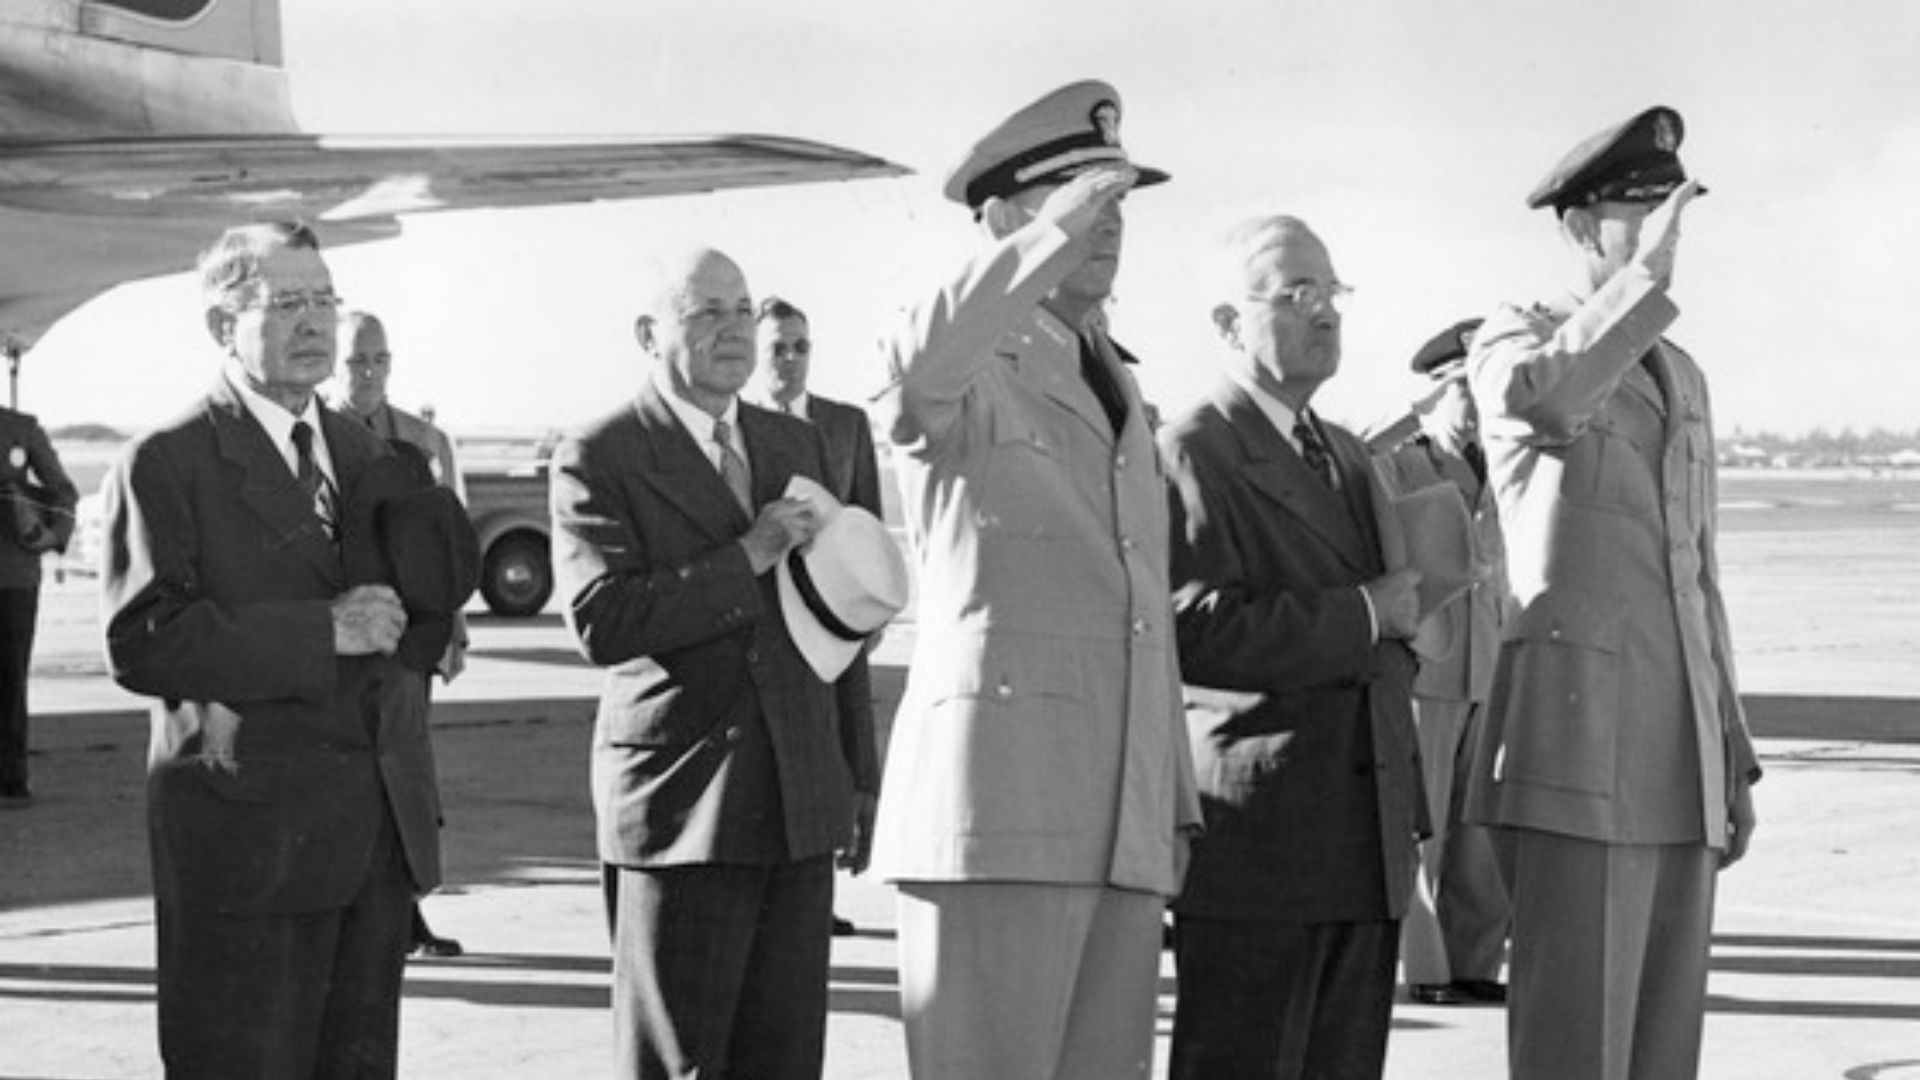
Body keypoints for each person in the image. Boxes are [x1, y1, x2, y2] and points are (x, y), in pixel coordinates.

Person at [868, 79, 1202, 1079]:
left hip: (1117, 820)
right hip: (999, 814)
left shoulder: (1116, 376)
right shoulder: (964, 358)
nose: (1110, 227)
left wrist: (1170, 801)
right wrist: (1040, 246)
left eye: (1119, 205)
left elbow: (1144, 610)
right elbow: (916, 376)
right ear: (1011, 218)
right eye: (1085, 199)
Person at [100, 220, 457, 1077]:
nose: (314, 324)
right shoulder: (166, 461)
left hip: (370, 844)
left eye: (324, 301)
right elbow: (141, 642)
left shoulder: (372, 453)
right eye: (285, 302)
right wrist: (319, 629)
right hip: (248, 852)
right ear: (224, 326)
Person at [1462, 106, 1760, 1080]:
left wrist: (1732, 747)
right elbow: (1544, 400)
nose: (1668, 228)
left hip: (1678, 756)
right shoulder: (1518, 338)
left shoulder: (1683, 374)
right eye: (1643, 207)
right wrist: (1645, 282)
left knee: (1663, 1048)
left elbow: (1695, 572)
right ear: (1585, 228)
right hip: (1576, 750)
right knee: (1573, 1047)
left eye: (1674, 207)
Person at [549, 245, 880, 1080]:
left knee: (785, 1059)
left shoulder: (791, 440)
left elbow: (837, 629)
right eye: (706, 313)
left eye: (742, 311)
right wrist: (749, 553)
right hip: (685, 806)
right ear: (648, 333)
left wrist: (856, 777)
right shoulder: (601, 453)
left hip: (798, 798)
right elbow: (603, 619)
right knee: (681, 1062)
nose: (733, 332)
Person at [1160, 214, 1425, 1079]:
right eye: (1295, 292)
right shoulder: (1197, 447)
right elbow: (1195, 629)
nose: (1325, 311)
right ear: (1229, 324)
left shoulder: (1347, 453)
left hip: (1364, 834)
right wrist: (1363, 617)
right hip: (1262, 843)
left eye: (1332, 291)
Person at [1373, 318, 1515, 1006]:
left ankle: (1474, 963)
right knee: (1421, 830)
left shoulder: (1510, 461)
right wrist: (1407, 418)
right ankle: (1427, 970)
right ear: (1435, 392)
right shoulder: (1399, 460)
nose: (1480, 403)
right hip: (1428, 669)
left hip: (1494, 668)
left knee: (1483, 832)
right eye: (1464, 389)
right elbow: (1345, 463)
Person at [333, 308, 469, 959]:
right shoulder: (313, 436)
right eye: (356, 359)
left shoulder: (422, 442)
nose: (367, 372)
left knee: (412, 778)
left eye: (378, 359)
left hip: (411, 644)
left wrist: (453, 637)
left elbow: (446, 544)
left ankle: (407, 913)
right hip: (339, 643)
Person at [749, 294, 881, 938]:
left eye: (802, 346)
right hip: (767, 620)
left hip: (832, 619)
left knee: (840, 741)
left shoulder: (846, 425)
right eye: (779, 347)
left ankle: (822, 887)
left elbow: (867, 522)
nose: (792, 359)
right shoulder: (736, 429)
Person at [0, 404, 78, 807]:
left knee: (10, 678)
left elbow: (63, 493)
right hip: (15, 575)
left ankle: (10, 779)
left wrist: (49, 536)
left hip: (12, 575)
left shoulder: (20, 428)